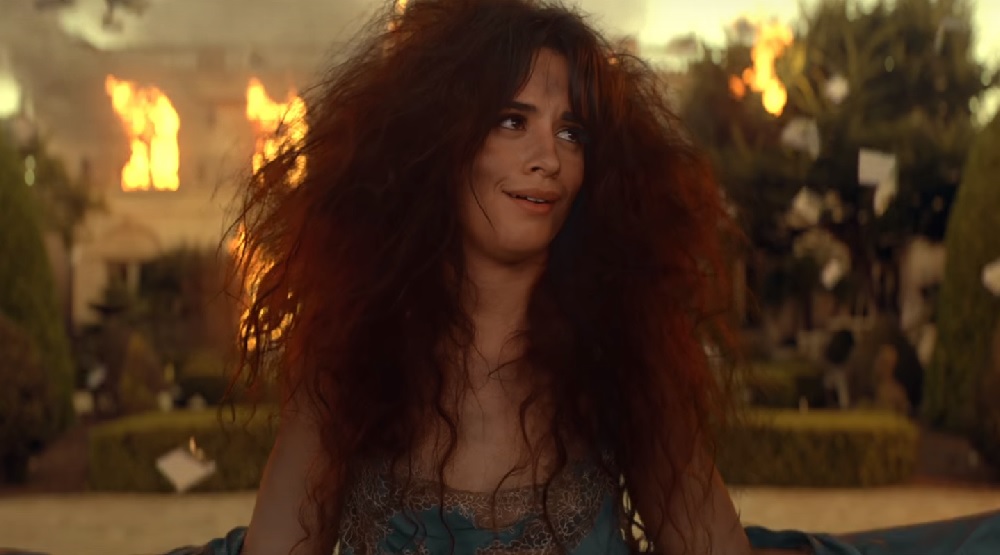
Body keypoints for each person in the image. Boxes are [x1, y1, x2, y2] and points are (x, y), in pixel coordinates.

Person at [167, 1, 1000, 554]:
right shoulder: (347, 361)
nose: (549, 158)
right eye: (512, 121)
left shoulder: (623, 362)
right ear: (437, 147)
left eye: (572, 132)